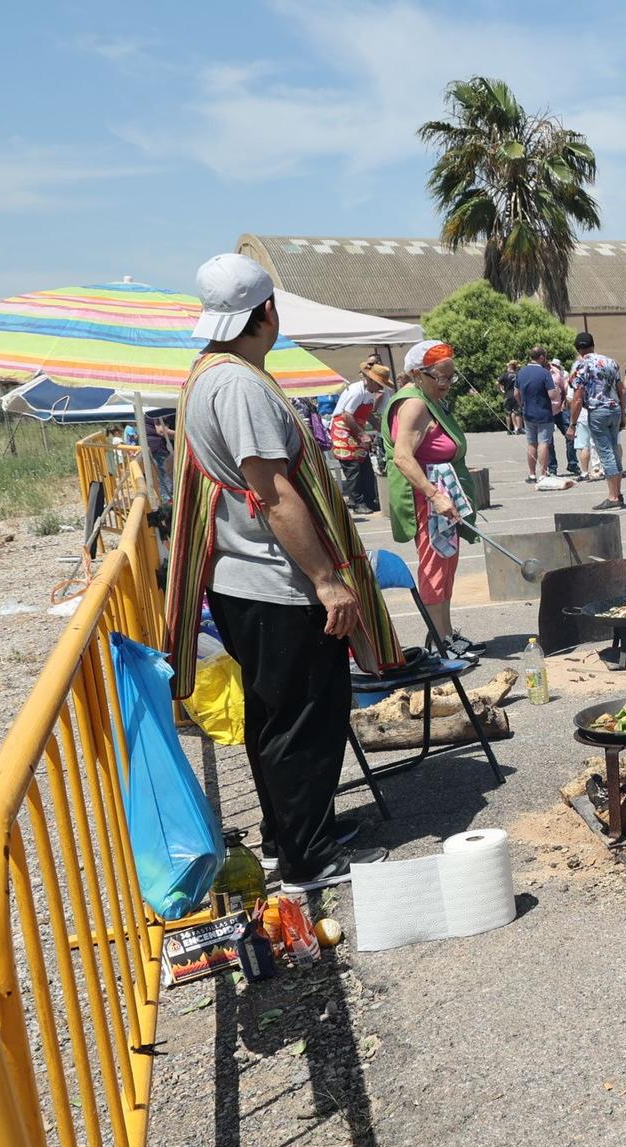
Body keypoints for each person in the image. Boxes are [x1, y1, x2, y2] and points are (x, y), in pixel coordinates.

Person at [163, 253, 394, 889]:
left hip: (249, 581)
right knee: (304, 717)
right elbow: (273, 492)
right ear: (267, 311)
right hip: (274, 583)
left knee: (278, 715)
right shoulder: (237, 384)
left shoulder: (211, 373)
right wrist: (326, 579)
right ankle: (307, 859)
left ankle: (292, 832)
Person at [384, 340, 479, 657]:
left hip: (440, 497)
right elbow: (403, 457)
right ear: (417, 374)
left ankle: (445, 633)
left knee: (446, 565)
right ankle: (440, 642)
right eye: (440, 377)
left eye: (451, 377)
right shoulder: (413, 404)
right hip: (428, 502)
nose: (447, 385)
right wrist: (436, 496)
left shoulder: (427, 399)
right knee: (435, 568)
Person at [568, 331, 625, 509]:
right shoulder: (610, 362)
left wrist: (572, 424)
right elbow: (621, 389)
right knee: (614, 450)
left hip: (597, 410)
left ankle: (613, 497)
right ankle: (618, 492)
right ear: (593, 345)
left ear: (578, 349)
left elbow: (577, 398)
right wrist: (623, 413)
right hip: (614, 408)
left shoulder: (580, 366)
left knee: (605, 452)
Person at [329, 357, 392, 514]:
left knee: (366, 467)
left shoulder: (371, 392)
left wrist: (379, 427)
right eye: (378, 383)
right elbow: (346, 415)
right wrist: (362, 435)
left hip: (357, 429)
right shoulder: (357, 390)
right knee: (353, 468)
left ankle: (370, 500)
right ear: (370, 379)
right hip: (343, 430)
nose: (379, 387)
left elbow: (368, 413)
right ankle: (357, 502)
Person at [514, 347, 558, 482]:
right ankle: (543, 474)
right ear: (542, 357)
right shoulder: (544, 373)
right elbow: (552, 394)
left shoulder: (521, 372)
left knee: (531, 443)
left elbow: (516, 393)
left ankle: (532, 474)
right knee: (544, 443)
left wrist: (522, 404)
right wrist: (556, 392)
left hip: (528, 413)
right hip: (544, 413)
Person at [549, 357, 578, 475]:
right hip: (548, 411)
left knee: (570, 436)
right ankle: (552, 467)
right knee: (549, 440)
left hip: (560, 410)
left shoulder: (562, 374)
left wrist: (564, 402)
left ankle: (572, 463)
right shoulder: (544, 375)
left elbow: (565, 389)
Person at [501, 359, 521, 435]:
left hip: (507, 395)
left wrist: (501, 390)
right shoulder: (518, 374)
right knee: (518, 412)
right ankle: (519, 428)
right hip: (516, 394)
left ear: (510, 366)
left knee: (507, 413)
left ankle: (509, 429)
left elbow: (498, 383)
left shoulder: (505, 375)